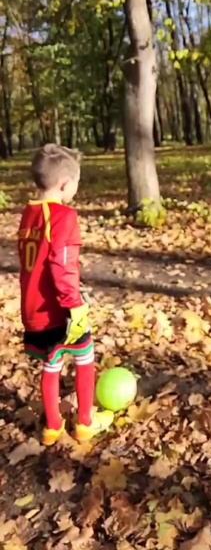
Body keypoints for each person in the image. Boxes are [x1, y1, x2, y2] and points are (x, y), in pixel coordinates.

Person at [18, 144, 113, 446]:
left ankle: (53, 426)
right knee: (85, 357)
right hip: (60, 310)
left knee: (51, 363)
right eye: (76, 184)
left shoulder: (28, 214)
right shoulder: (63, 217)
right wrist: (74, 304)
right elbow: (62, 264)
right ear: (64, 184)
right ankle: (85, 421)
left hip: (33, 310)